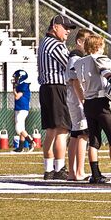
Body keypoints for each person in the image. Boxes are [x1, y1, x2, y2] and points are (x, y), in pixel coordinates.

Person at [73, 35, 111, 184]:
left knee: (94, 140)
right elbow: (109, 77)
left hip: (88, 103)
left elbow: (78, 82)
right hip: (100, 102)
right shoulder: (98, 58)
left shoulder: (79, 62)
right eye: (102, 45)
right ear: (97, 46)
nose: (103, 48)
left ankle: (95, 174)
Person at [37, 14, 76, 180]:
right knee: (62, 129)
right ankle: (59, 168)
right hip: (57, 88)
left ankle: (48, 169)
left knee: (51, 130)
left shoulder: (44, 43)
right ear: (55, 27)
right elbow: (70, 66)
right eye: (65, 27)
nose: (68, 31)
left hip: (46, 88)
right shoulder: (56, 45)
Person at [66, 28, 91, 181]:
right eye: (86, 42)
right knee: (83, 134)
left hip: (73, 98)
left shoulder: (77, 56)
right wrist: (84, 100)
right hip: (76, 99)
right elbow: (75, 81)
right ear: (79, 42)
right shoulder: (76, 57)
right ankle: (79, 171)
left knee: (76, 134)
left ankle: (72, 172)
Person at [12, 70, 35, 153]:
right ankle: (21, 148)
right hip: (19, 108)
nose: (15, 79)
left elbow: (17, 96)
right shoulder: (21, 85)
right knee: (22, 128)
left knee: (19, 128)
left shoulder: (23, 85)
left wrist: (14, 89)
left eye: (17, 77)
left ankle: (31, 142)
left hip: (22, 108)